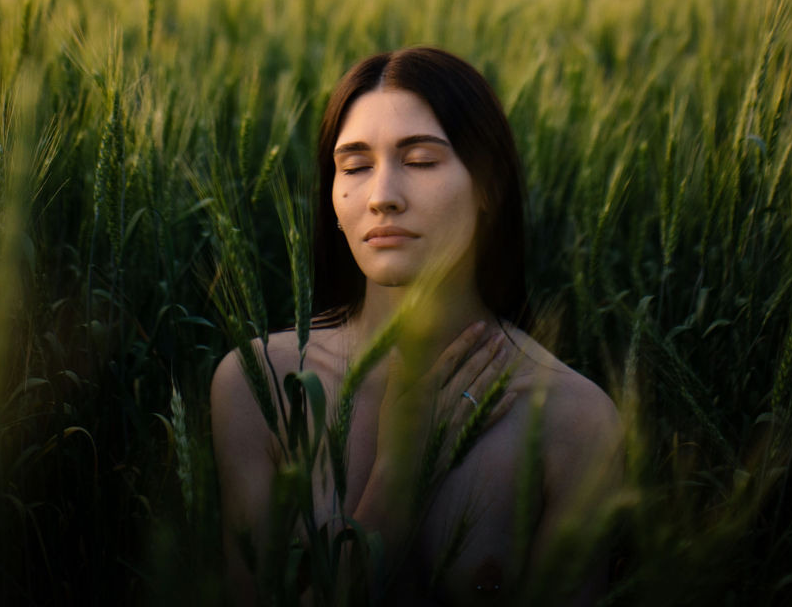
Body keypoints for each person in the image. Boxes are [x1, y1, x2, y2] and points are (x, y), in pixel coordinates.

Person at [211, 46, 623, 605]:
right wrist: (399, 477)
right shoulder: (260, 388)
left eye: (422, 161)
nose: (382, 197)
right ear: (333, 200)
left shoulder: (573, 420)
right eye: (354, 166)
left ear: (488, 187)